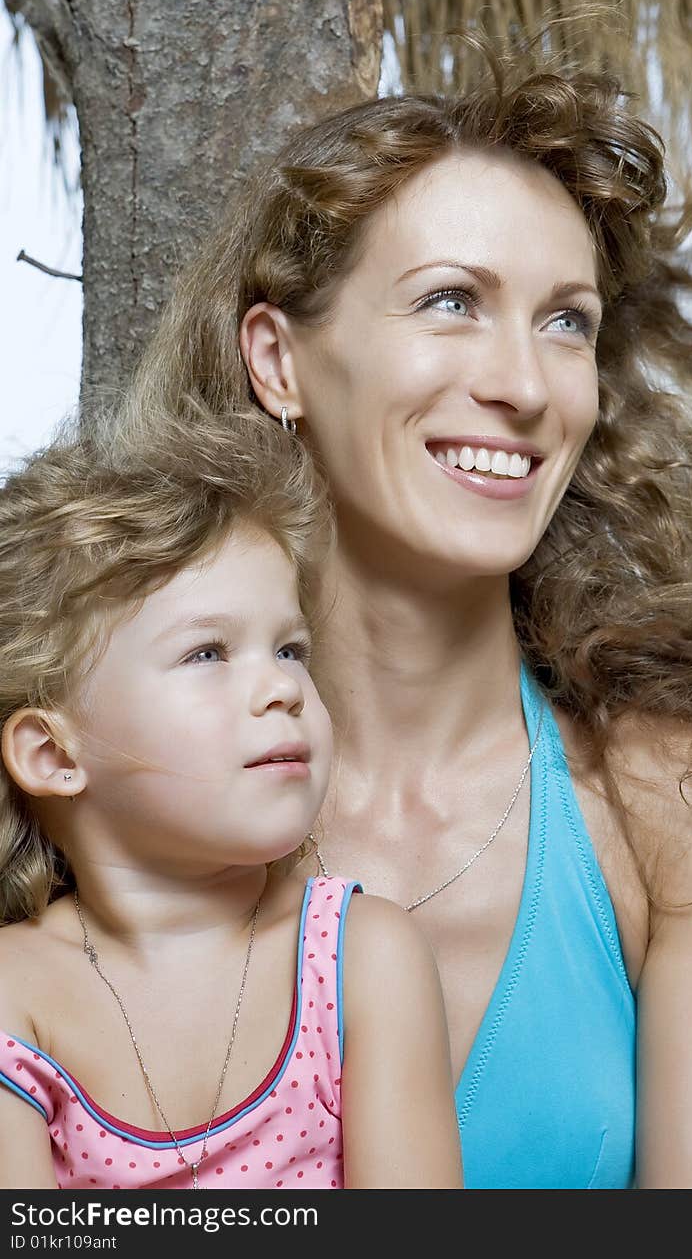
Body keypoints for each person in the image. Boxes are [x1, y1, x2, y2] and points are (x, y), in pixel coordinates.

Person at [113, 21, 692, 1189]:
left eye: (564, 319)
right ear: (278, 361)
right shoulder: (115, 789)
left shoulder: (676, 810)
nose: (522, 385)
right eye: (451, 302)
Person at [0, 410, 463, 1191]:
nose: (283, 687)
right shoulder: (16, 994)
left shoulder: (359, 959)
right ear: (53, 755)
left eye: (290, 649)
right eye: (207, 652)